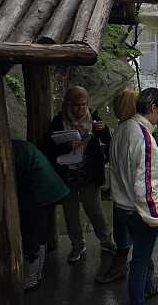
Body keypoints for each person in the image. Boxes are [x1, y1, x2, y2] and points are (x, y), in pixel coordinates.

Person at [109, 87, 158, 304]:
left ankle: (146, 287)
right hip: (138, 211)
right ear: (152, 108)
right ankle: (138, 299)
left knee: (140, 259)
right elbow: (145, 186)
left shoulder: (122, 129)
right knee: (139, 261)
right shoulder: (143, 137)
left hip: (122, 206)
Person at [44, 86, 115, 263]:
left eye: (84, 105)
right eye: (77, 105)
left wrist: (103, 128)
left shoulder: (93, 116)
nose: (81, 109)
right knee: (71, 211)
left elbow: (108, 140)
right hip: (66, 174)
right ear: (69, 104)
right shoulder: (59, 122)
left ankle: (107, 240)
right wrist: (67, 146)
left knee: (95, 209)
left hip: (89, 172)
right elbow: (48, 148)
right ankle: (77, 244)